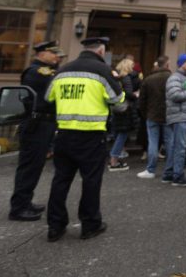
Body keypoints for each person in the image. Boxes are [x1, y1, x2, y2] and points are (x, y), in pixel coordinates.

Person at [45, 36, 125, 242]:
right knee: (91, 181)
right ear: (100, 51)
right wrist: (120, 83)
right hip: (91, 135)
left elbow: (48, 98)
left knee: (60, 180)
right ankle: (90, 224)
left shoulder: (63, 70)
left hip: (63, 134)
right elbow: (119, 101)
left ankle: (55, 226)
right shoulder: (103, 71)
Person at [8, 41, 64, 221]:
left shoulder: (46, 71)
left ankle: (25, 201)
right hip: (36, 124)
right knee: (29, 166)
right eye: (54, 54)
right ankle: (18, 208)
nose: (58, 57)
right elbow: (54, 86)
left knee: (36, 165)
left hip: (43, 124)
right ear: (41, 54)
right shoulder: (37, 72)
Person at [163, 53, 186, 187]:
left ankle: (168, 174)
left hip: (183, 116)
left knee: (175, 146)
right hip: (179, 117)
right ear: (181, 64)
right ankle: (178, 176)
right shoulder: (175, 78)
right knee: (180, 147)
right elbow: (174, 95)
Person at [137, 56, 171, 179]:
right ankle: (169, 171)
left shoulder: (148, 79)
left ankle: (151, 169)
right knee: (169, 143)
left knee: (153, 142)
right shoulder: (172, 78)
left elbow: (142, 100)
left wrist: (144, 114)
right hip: (168, 115)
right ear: (167, 65)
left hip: (152, 115)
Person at [108, 58, 137, 171]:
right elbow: (129, 94)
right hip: (125, 110)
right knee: (122, 135)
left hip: (116, 109)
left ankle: (114, 158)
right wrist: (135, 95)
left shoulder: (115, 79)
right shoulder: (126, 78)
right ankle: (114, 160)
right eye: (132, 65)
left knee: (117, 134)